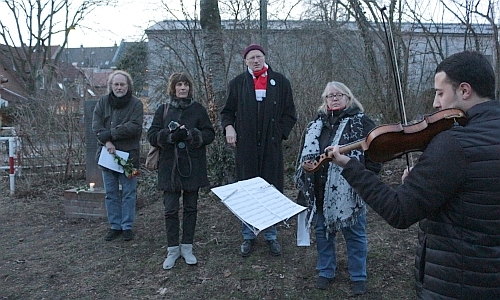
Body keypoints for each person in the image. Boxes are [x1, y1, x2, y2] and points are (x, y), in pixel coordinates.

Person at [327, 51, 500, 299]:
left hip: (457, 283)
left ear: (464, 90)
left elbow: (400, 211)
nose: (435, 104)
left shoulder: (452, 144)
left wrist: (350, 167)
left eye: (440, 93)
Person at [294, 81, 382, 294]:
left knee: (354, 235)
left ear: (348, 97)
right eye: (329, 96)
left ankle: (358, 275)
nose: (333, 98)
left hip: (350, 190)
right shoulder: (315, 125)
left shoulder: (361, 122)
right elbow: (306, 156)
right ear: (324, 101)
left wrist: (366, 177)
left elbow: (376, 153)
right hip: (319, 190)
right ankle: (326, 271)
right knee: (323, 234)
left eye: (338, 94)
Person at [220, 43, 297, 257]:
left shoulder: (280, 82)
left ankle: (271, 234)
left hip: (271, 147)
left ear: (264, 58)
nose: (256, 60)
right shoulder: (237, 84)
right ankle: (248, 235)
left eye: (259, 56)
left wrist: (278, 133)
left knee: (269, 189)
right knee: (247, 190)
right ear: (245, 61)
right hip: (246, 147)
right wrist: (229, 128)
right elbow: (227, 112)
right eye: (251, 57)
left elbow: (290, 113)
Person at [147, 72, 215, 270]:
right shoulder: (163, 109)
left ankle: (187, 247)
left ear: (189, 88)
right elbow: (151, 135)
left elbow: (209, 133)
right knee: (170, 210)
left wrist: (193, 135)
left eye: (186, 85)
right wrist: (170, 135)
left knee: (191, 208)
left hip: (193, 166)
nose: (183, 88)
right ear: (173, 88)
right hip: (170, 168)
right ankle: (172, 249)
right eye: (179, 85)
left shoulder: (198, 109)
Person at [92, 70, 144, 242]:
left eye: (122, 84)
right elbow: (96, 126)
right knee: (111, 193)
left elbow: (134, 127)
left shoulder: (136, 104)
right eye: (116, 84)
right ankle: (115, 226)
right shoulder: (103, 102)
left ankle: (127, 226)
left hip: (130, 157)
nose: (119, 87)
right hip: (107, 155)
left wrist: (110, 134)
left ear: (128, 85)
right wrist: (107, 142)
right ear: (111, 86)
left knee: (129, 193)